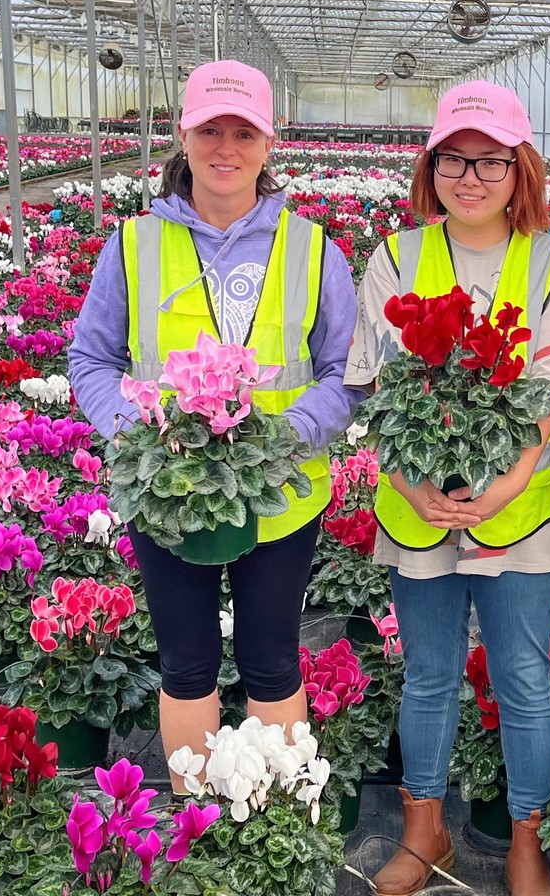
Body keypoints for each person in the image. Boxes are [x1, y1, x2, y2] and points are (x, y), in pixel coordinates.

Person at [69, 60, 362, 796]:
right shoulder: (134, 244)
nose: (225, 148)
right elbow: (92, 358)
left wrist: (288, 433)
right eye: (210, 130)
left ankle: (274, 813)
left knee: (272, 657)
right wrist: (137, 429)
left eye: (243, 133)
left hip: (284, 492)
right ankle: (200, 822)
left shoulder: (312, 248)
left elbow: (347, 371)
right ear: (183, 136)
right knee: (187, 660)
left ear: (270, 144)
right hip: (168, 493)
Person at [345, 80, 550, 896]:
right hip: (416, 509)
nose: (471, 176)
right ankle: (425, 832)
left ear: (521, 170)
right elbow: (378, 387)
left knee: (522, 678)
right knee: (429, 674)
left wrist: (510, 479)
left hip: (518, 513)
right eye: (454, 158)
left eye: (490, 160)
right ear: (432, 165)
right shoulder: (395, 257)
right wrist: (413, 487)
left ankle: (527, 838)